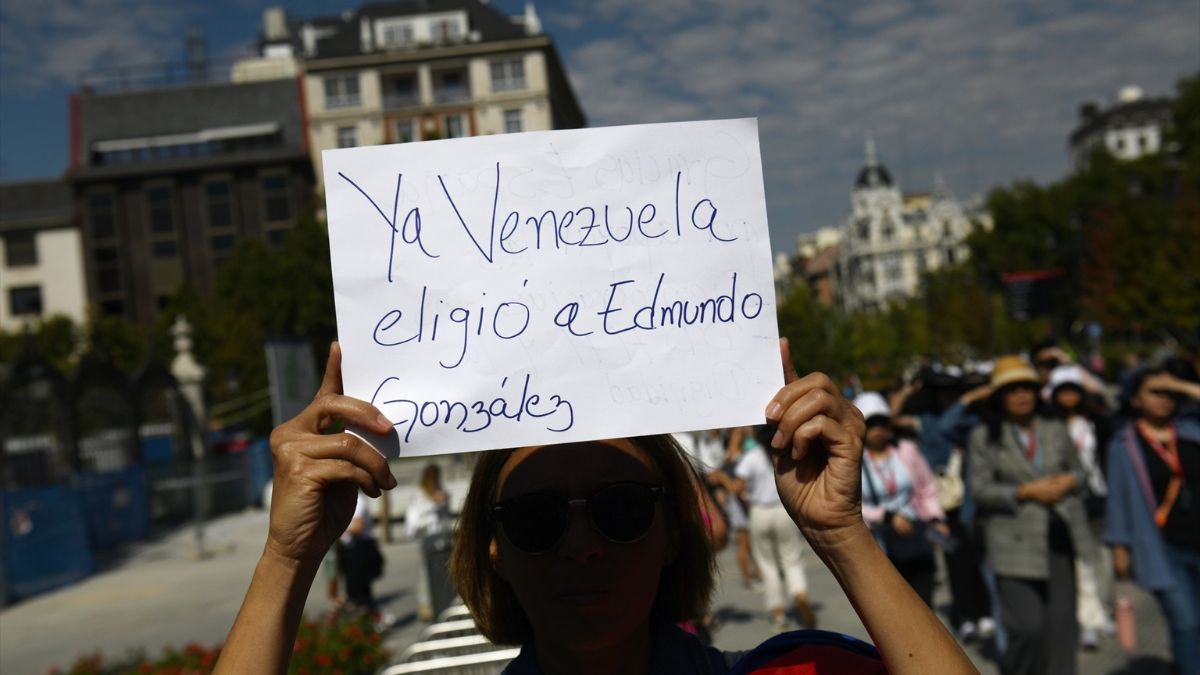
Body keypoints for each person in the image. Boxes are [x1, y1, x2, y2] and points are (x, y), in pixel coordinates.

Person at [214, 340, 977, 674]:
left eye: (619, 508)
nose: (582, 544)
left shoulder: (793, 673)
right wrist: (289, 558)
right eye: (538, 520)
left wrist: (842, 534)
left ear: (676, 530)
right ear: (493, 549)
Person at [968, 355, 1096, 675]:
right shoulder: (984, 436)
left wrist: (1071, 480)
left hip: (1059, 536)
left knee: (1063, 627)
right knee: (1027, 627)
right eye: (1013, 390)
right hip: (1013, 541)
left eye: (1027, 387)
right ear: (999, 397)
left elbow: (1080, 471)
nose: (1022, 395)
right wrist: (1024, 492)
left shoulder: (1054, 428)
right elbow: (980, 490)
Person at [1105, 366, 1200, 675]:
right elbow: (1118, 499)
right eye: (1154, 392)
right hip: (1163, 547)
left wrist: (1182, 385)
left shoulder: (1190, 430)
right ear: (1135, 399)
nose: (1164, 399)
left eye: (1169, 393)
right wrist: (1119, 545)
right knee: (1186, 621)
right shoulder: (1123, 444)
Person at [710, 426, 816, 631]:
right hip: (782, 509)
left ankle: (778, 614)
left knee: (767, 564)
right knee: (792, 559)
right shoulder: (785, 455)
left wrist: (722, 478)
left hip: (759, 512)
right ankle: (800, 594)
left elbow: (736, 489)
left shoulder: (752, 456)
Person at [853, 391, 948, 607]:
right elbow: (851, 505)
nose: (877, 430)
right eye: (871, 423)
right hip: (880, 544)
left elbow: (926, 488)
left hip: (915, 535)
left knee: (924, 605)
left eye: (882, 422)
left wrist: (936, 519)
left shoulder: (906, 450)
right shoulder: (852, 462)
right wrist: (884, 516)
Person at [1045, 364, 1111, 649]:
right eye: (1063, 391)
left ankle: (1101, 611)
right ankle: (1087, 621)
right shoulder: (1047, 426)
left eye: (1075, 390)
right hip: (1066, 500)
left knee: (1100, 560)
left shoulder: (1097, 422)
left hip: (1096, 497)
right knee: (1079, 563)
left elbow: (1108, 395)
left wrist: (1068, 362)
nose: (1070, 396)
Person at [405, 463, 451, 621]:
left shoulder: (439, 491)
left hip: (440, 538)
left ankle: (443, 602)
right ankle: (429, 607)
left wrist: (443, 501)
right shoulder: (419, 494)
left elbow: (444, 514)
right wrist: (433, 504)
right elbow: (413, 522)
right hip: (428, 538)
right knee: (427, 572)